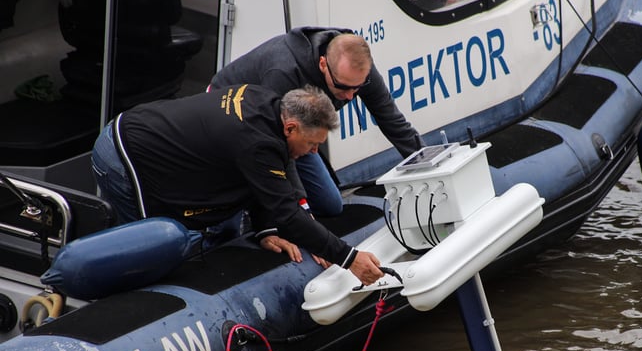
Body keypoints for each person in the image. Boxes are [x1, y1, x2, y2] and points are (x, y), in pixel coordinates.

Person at [90, 83, 384, 286]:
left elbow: (264, 178)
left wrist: (265, 227)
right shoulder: (257, 141)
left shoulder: (270, 103)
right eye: (311, 143)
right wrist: (349, 258)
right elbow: (288, 215)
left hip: (153, 135)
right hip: (127, 154)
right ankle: (119, 299)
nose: (313, 152)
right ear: (291, 128)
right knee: (148, 248)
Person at [210, 27, 423, 216]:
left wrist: (426, 162)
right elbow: (277, 142)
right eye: (342, 87)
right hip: (231, 118)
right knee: (242, 208)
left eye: (356, 88)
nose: (350, 96)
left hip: (289, 130)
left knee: (330, 205)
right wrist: (302, 210)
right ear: (323, 64)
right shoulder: (284, 73)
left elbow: (391, 119)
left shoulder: (357, 69)